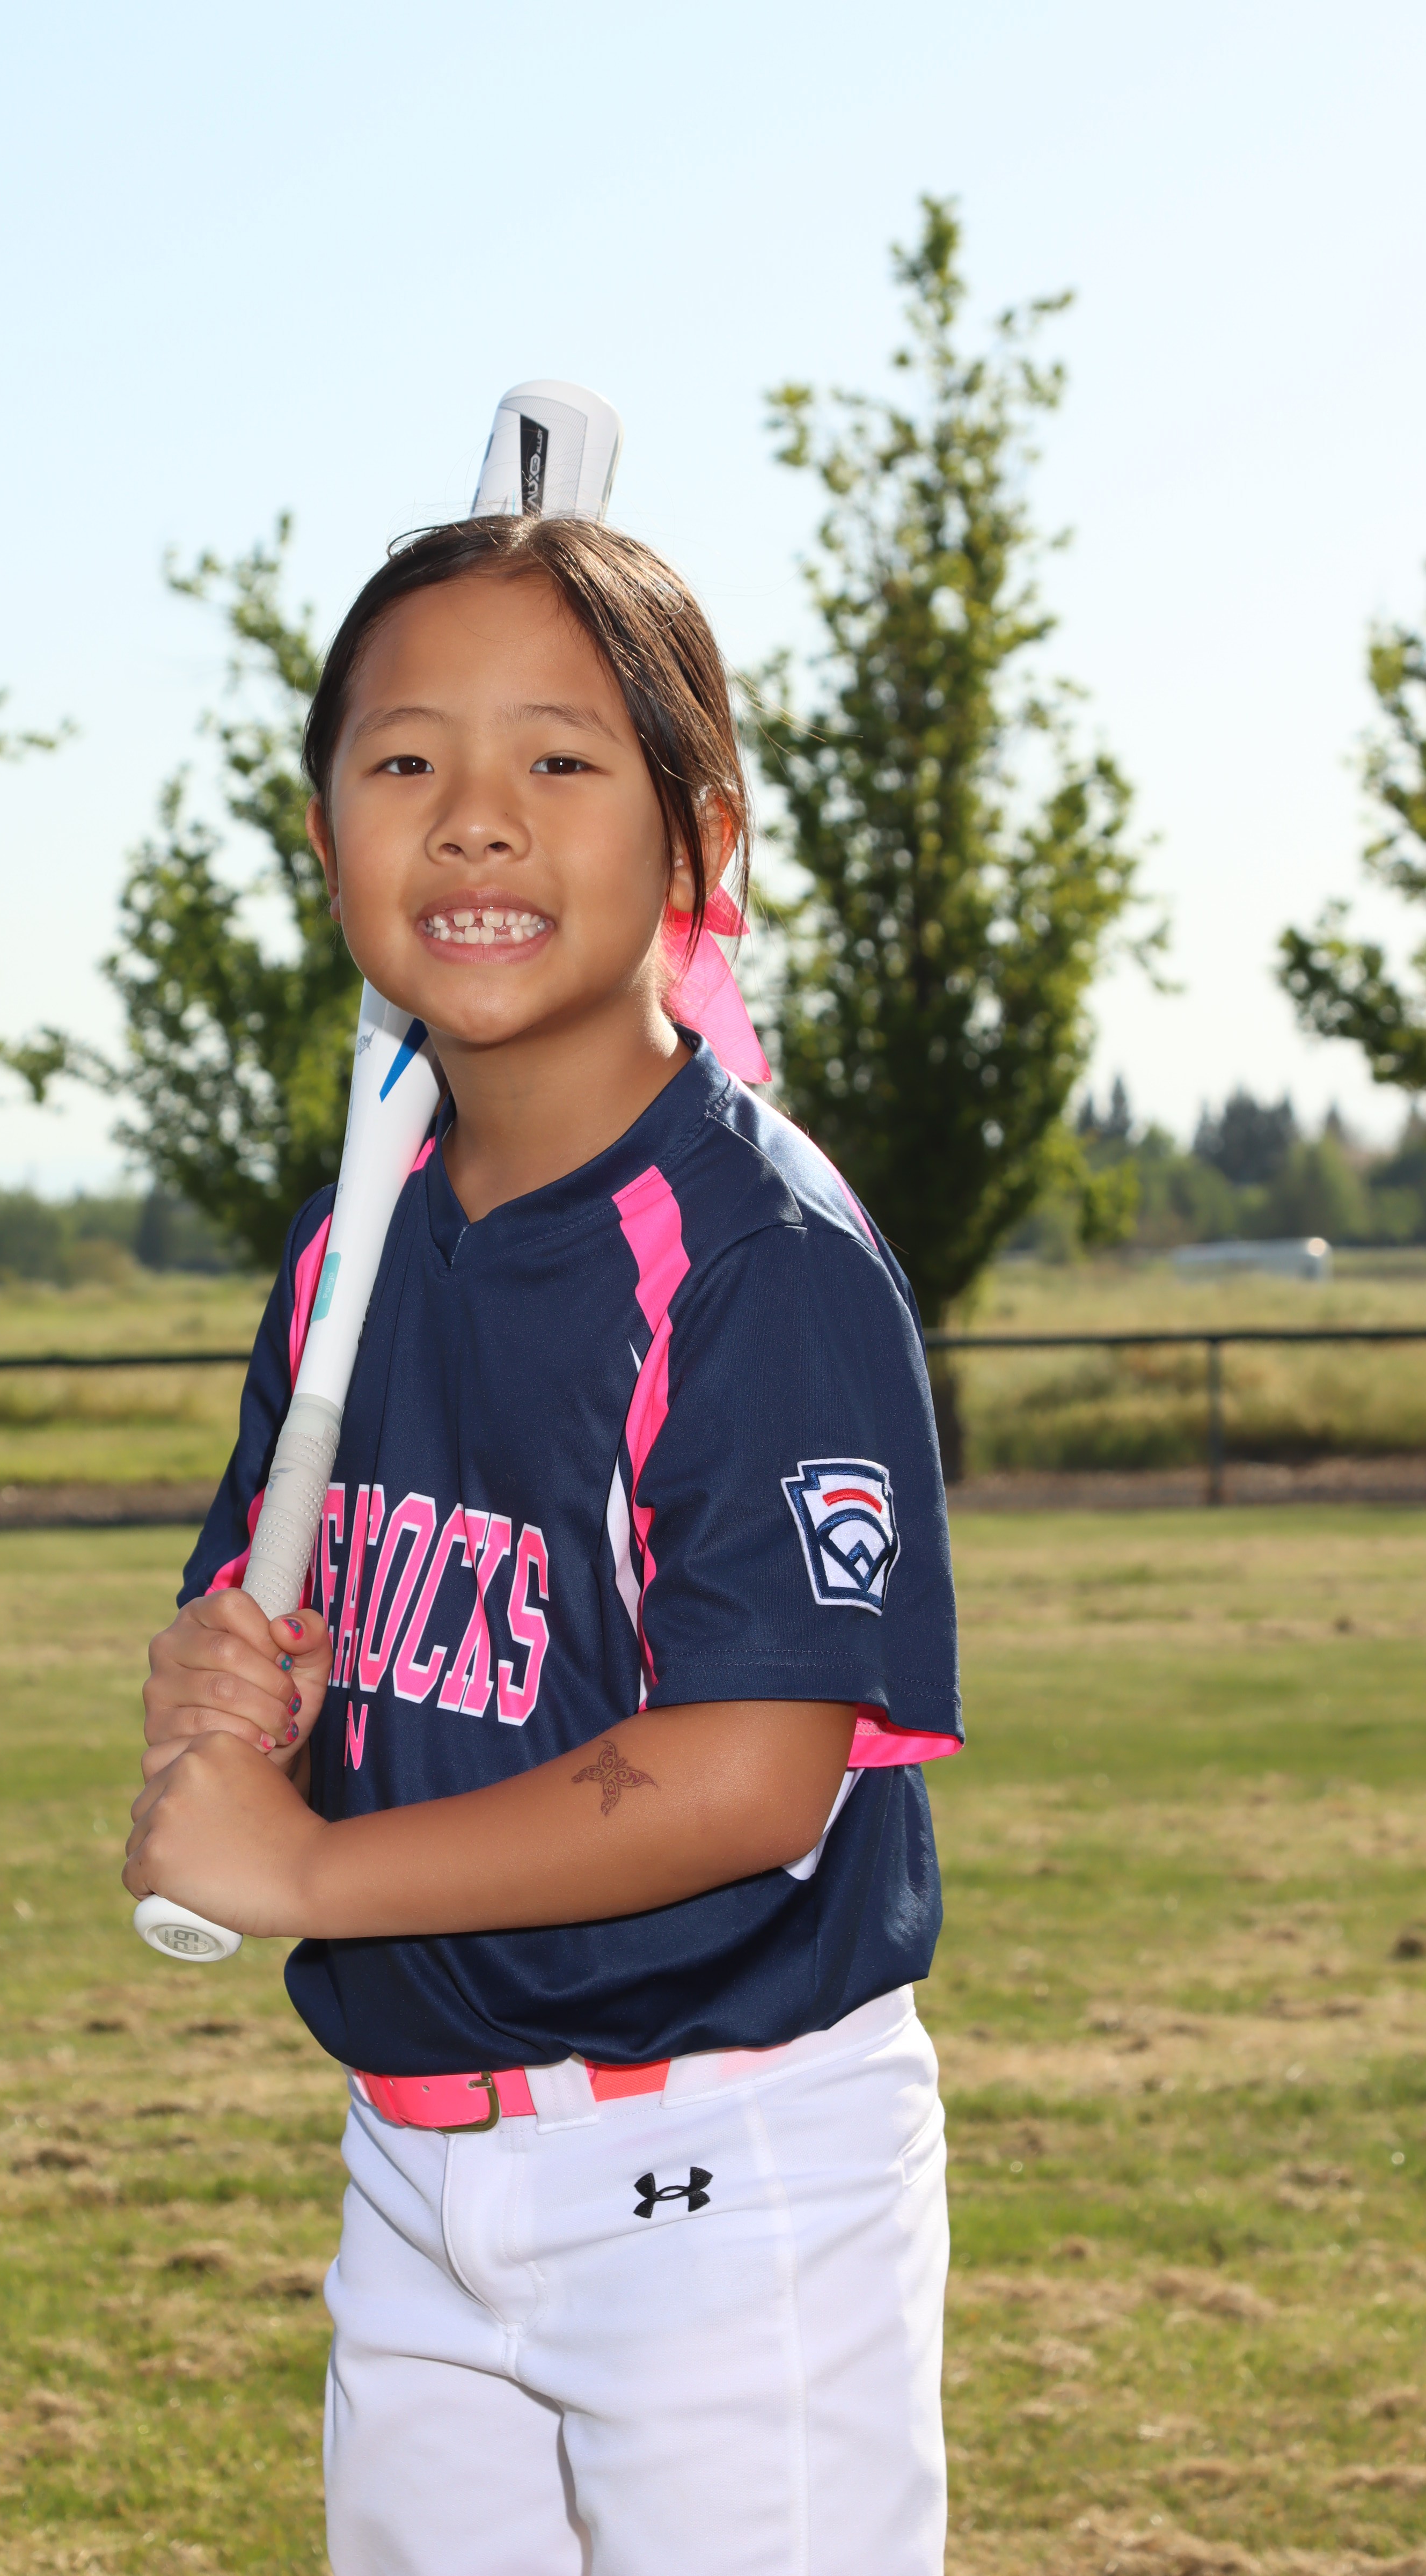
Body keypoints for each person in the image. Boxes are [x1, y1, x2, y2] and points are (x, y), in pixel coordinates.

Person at [123, 513, 963, 2576]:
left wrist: (305, 1873)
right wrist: (232, 1685)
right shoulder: (354, 1244)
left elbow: (750, 1778)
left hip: (725, 2168)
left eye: (561, 760)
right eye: (406, 760)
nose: (476, 819)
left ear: (700, 843)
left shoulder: (758, 1258)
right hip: (413, 2168)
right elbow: (295, 1636)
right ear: (325, 837)